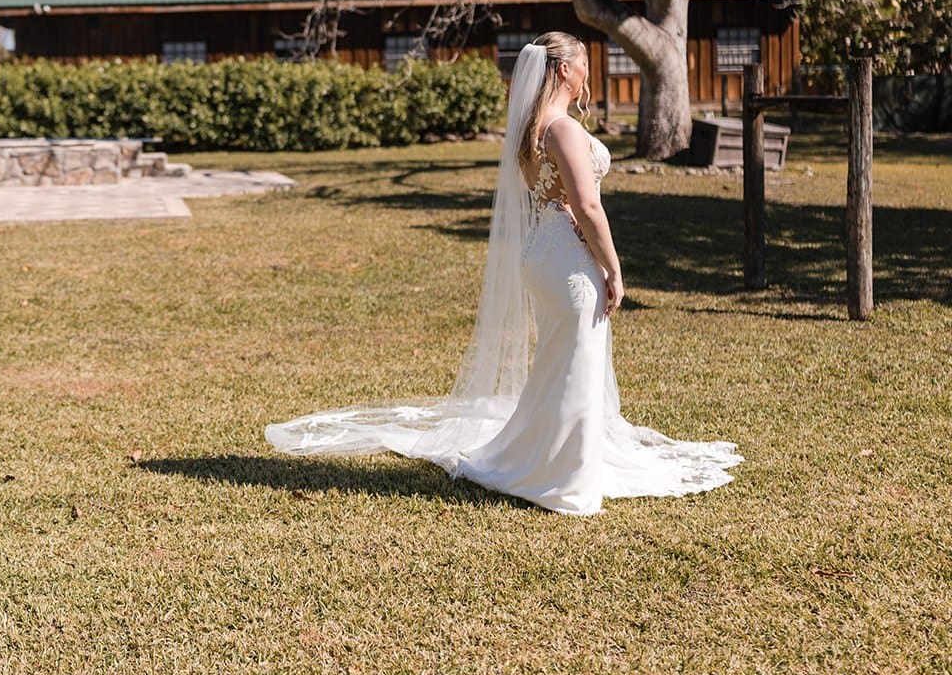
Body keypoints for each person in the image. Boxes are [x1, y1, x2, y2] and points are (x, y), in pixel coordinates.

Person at [265, 32, 741, 515]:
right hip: (568, 263)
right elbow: (588, 204)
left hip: (543, 253)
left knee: (560, 363)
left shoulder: (532, 130)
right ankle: (564, 480)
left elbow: (551, 196)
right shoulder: (563, 129)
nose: (586, 76)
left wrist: (572, 219)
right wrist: (615, 269)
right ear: (562, 71)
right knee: (575, 363)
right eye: (581, 66)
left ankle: (543, 458)